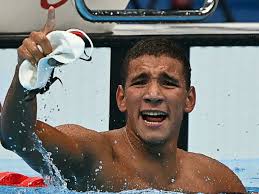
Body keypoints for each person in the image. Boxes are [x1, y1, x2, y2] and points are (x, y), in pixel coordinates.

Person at [0, 7, 246, 193]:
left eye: (168, 83)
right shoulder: (92, 157)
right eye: (140, 82)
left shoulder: (216, 182)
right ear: (121, 98)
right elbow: (18, 137)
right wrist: (27, 77)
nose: (153, 95)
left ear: (189, 100)